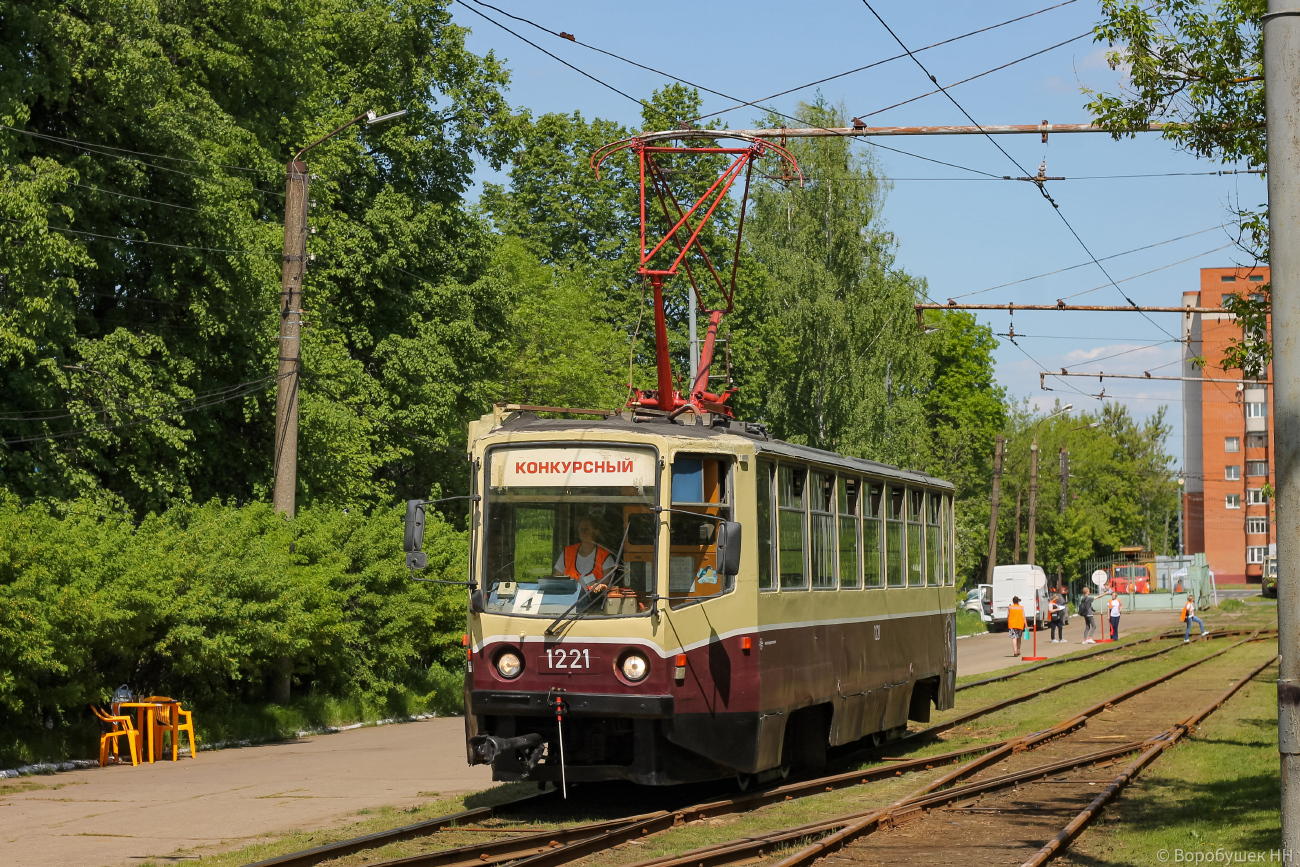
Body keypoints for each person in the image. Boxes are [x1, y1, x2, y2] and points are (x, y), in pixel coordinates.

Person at [554, 518, 616, 593]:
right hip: (568, 600)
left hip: (593, 601)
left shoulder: (605, 556)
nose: (583, 532)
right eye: (581, 529)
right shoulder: (567, 552)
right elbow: (556, 578)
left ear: (596, 532)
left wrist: (600, 586)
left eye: (587, 529)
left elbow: (606, 583)